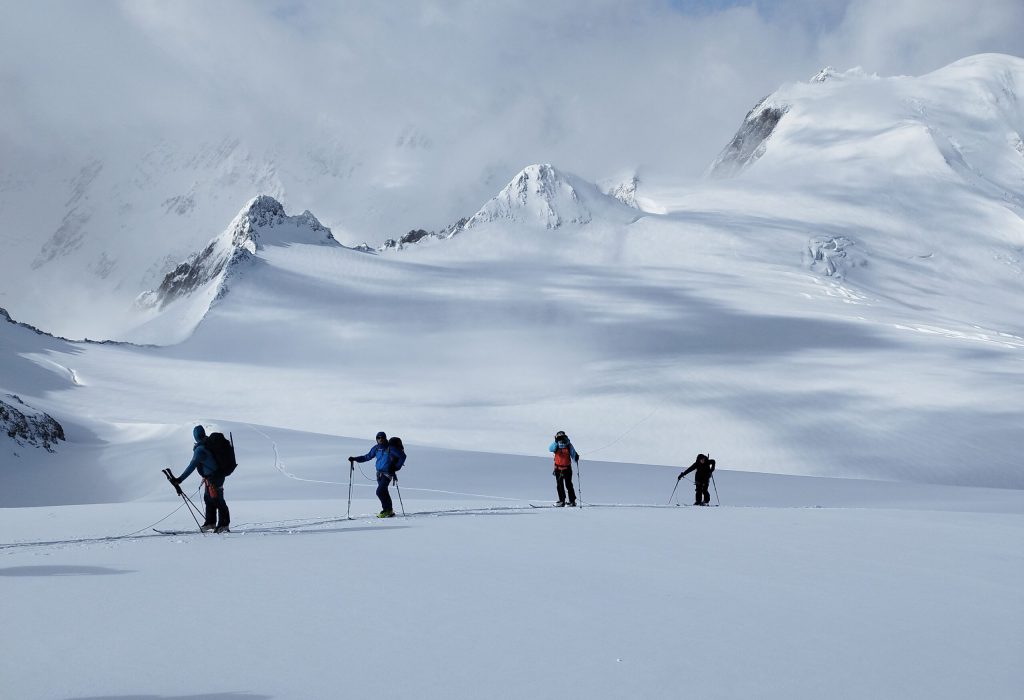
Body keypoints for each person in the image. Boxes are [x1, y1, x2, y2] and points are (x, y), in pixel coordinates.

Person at [172, 425, 230, 532]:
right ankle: (211, 522)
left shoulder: (201, 449)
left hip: (215, 477)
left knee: (217, 499)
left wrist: (180, 479)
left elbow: (192, 465)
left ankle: (224, 524)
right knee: (208, 499)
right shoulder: (207, 444)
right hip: (212, 477)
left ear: (195, 436)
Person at [349, 431, 405, 518]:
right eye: (378, 438)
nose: (380, 439)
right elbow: (367, 457)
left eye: (382, 437)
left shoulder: (390, 448)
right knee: (384, 492)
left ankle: (386, 510)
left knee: (380, 491)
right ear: (376, 439)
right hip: (379, 474)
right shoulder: (376, 448)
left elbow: (402, 456)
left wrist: (396, 467)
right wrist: (355, 459)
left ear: (385, 438)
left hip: (387, 473)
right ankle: (389, 510)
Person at [548, 430, 580, 507]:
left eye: (561, 436)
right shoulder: (556, 445)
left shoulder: (568, 445)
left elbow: (573, 456)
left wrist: (576, 457)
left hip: (567, 469)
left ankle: (572, 501)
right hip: (558, 468)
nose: (560, 438)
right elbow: (550, 449)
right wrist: (556, 441)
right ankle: (561, 501)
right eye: (559, 436)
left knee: (568, 485)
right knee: (559, 485)